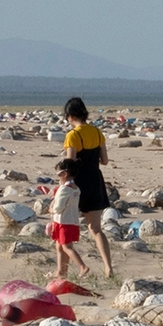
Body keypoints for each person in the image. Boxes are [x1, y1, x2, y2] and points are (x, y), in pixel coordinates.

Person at [61, 97, 114, 276]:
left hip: (78, 184)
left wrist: (62, 185)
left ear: (70, 115)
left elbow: (70, 165)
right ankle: (108, 267)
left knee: (65, 227)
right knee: (96, 229)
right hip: (95, 181)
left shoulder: (73, 135)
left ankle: (63, 270)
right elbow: (104, 161)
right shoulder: (97, 132)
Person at [48, 158, 89, 278]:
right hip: (72, 221)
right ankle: (61, 271)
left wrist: (51, 209)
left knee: (66, 247)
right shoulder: (75, 188)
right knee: (59, 245)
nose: (58, 177)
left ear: (65, 174)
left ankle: (82, 267)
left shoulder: (64, 189)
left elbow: (58, 207)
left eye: (58, 174)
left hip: (63, 222)